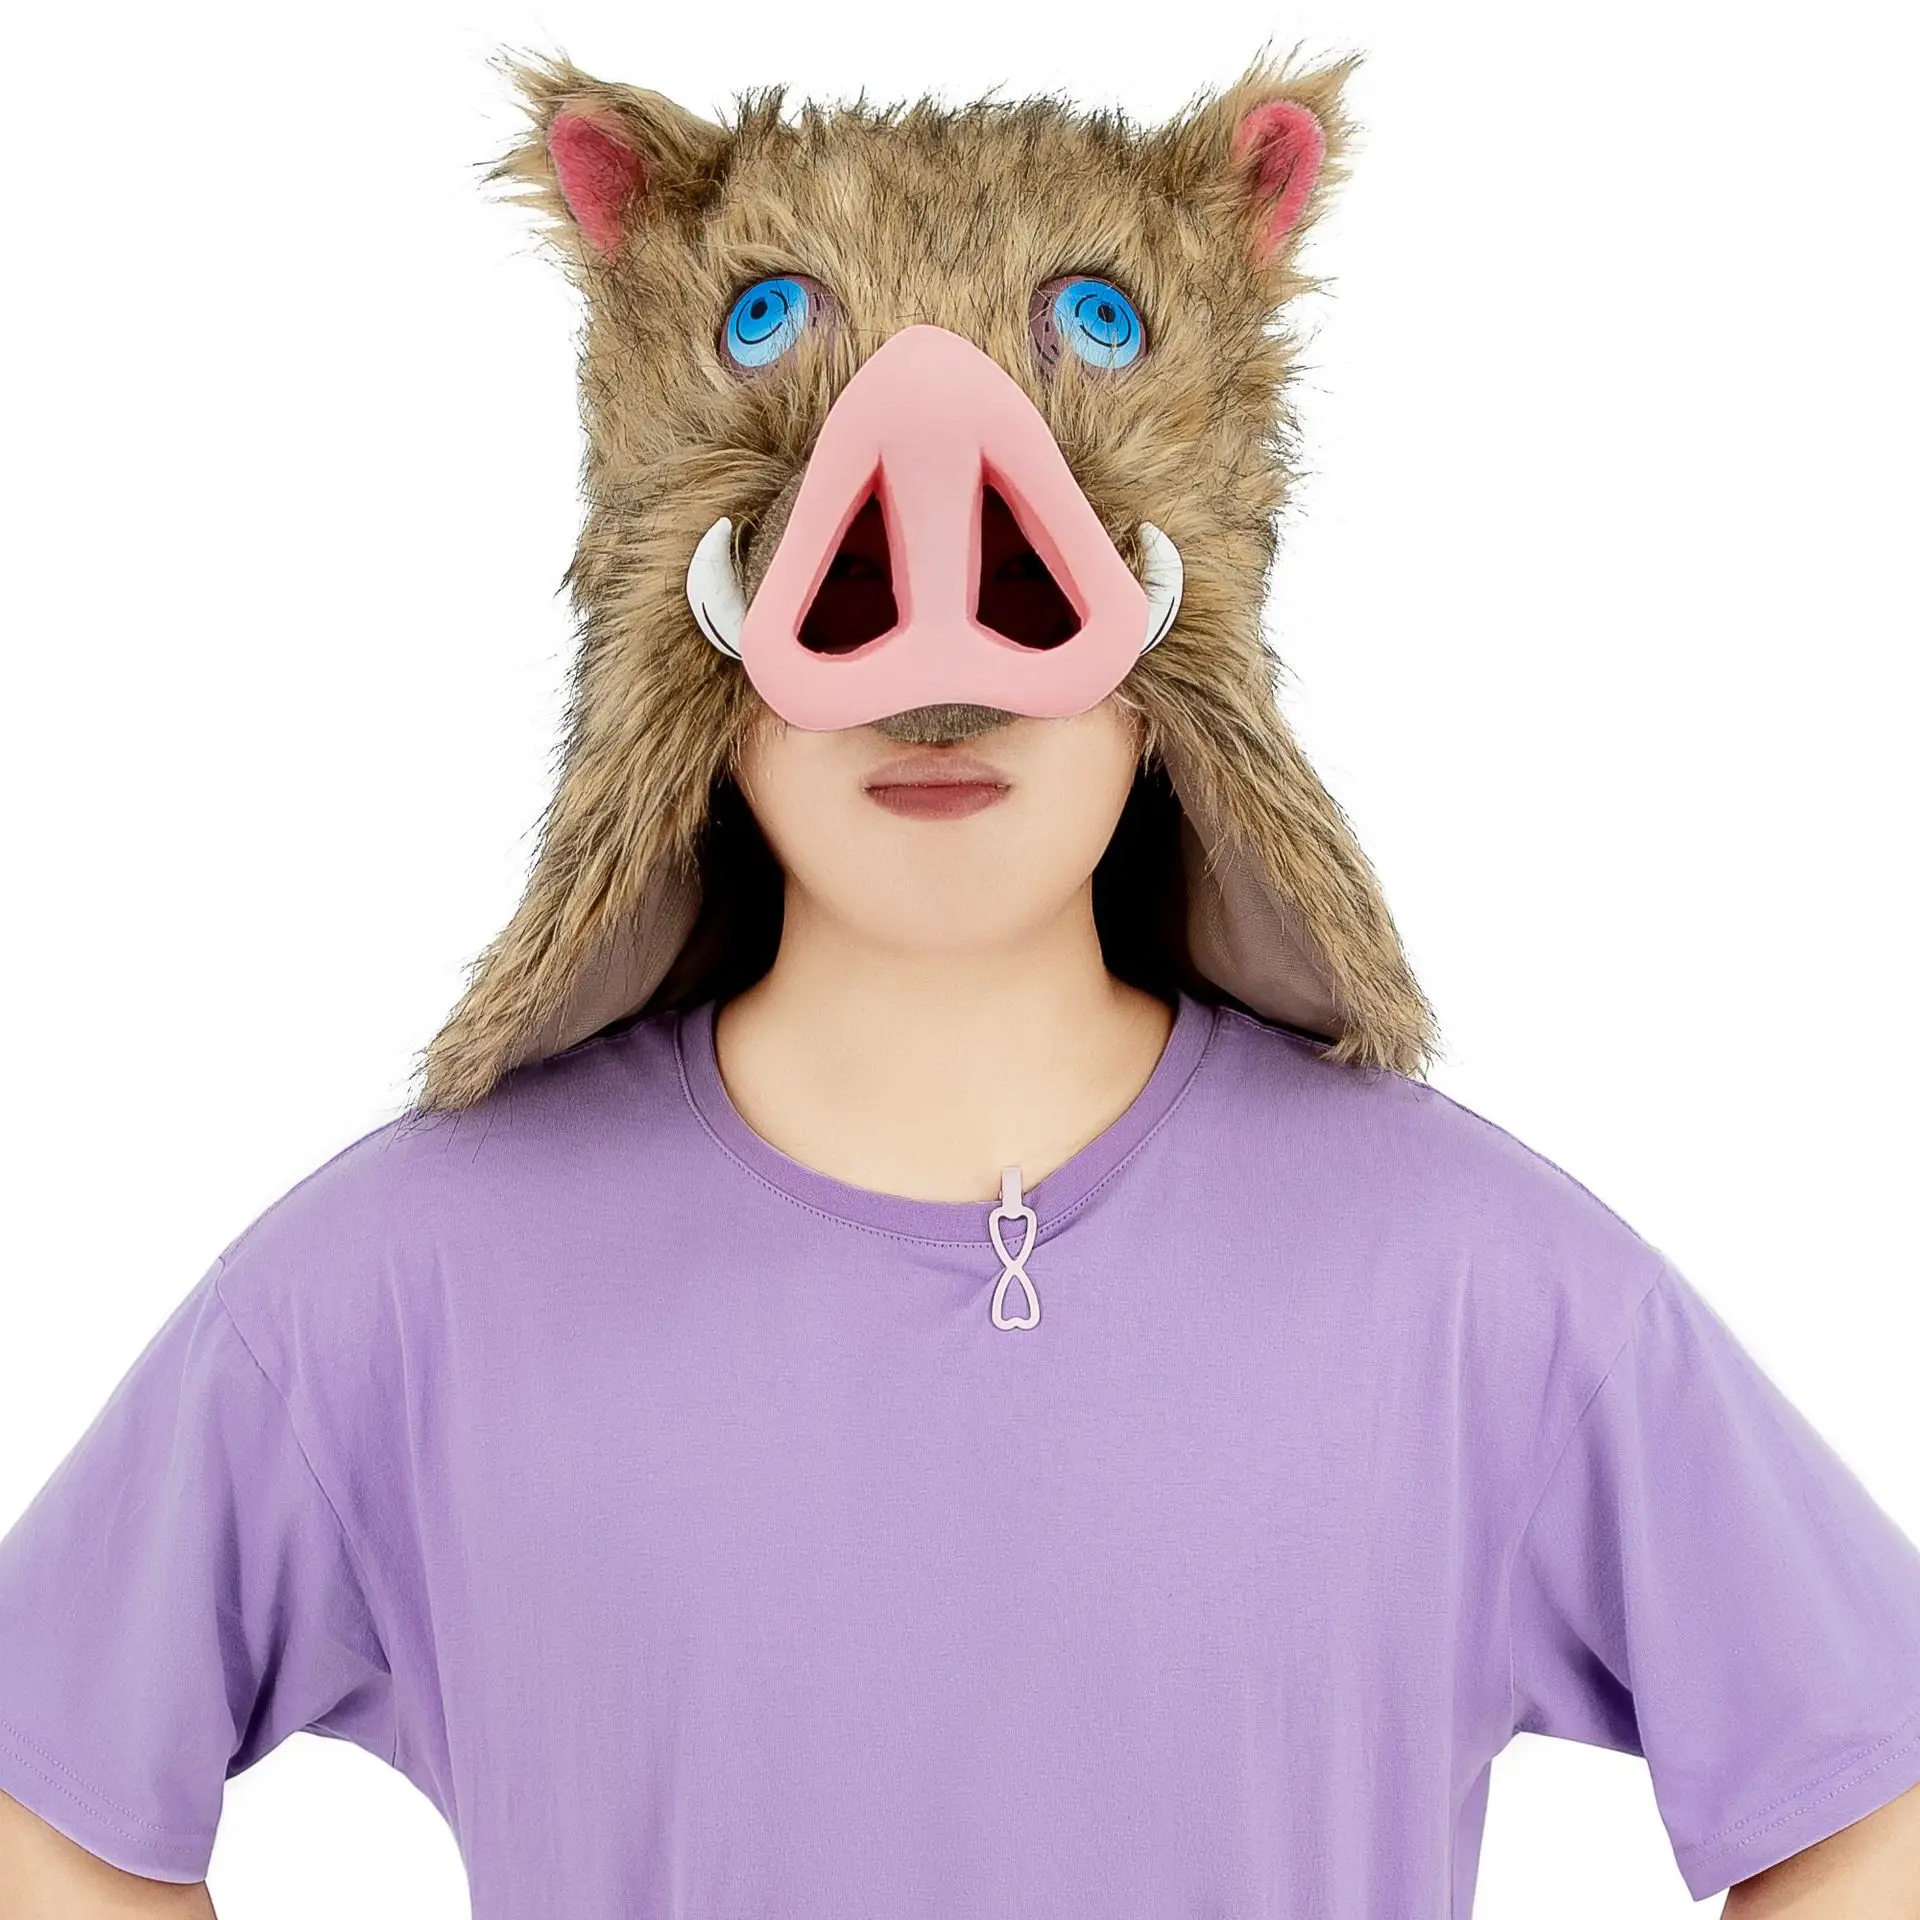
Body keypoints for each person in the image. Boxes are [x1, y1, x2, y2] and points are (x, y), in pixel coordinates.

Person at [5, 50, 1920, 1920]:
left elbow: (1868, 1797)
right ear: (693, 643)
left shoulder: (1473, 1286)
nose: (939, 695)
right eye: (843, 595)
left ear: (1179, 642)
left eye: (1029, 597)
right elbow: (51, 1791)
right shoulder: (403, 1291)